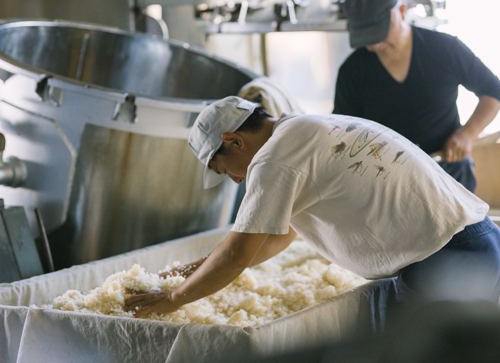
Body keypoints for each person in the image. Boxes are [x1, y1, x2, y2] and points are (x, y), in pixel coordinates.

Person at [125, 96, 500, 317]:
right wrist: (187, 272)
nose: (236, 180)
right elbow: (273, 239)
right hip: (473, 244)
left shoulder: (274, 159)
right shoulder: (302, 128)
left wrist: (173, 299)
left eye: (225, 170)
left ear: (233, 140)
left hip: (448, 259)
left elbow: (239, 253)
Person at [334, 0, 500, 193]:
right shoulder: (352, 70)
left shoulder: (444, 49)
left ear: (402, 11)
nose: (376, 44)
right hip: (386, 182)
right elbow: (343, 131)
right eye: (367, 37)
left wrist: (467, 134)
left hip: (448, 172)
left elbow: (493, 92)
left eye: (381, 33)